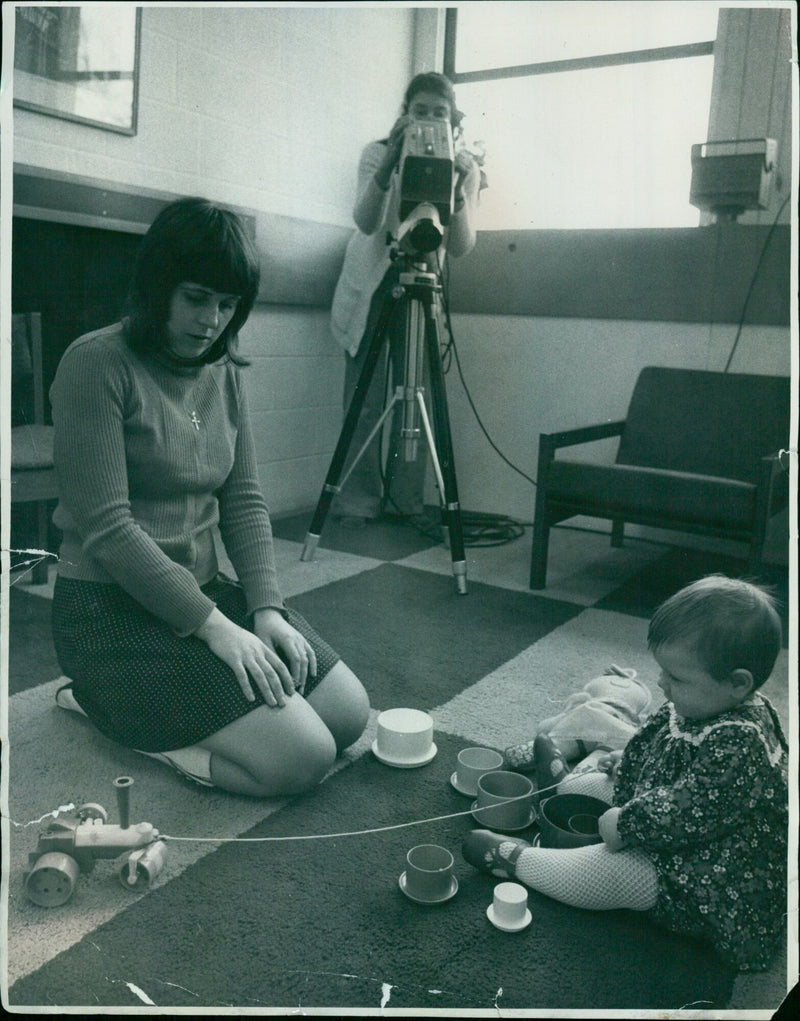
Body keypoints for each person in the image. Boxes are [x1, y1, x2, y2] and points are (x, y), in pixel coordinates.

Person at [50, 197, 370, 797]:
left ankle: (186, 696)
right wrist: (216, 628)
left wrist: (266, 608)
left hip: (203, 595)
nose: (212, 320)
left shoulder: (221, 370)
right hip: (108, 613)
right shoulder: (95, 363)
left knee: (348, 715)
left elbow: (243, 497)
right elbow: (110, 530)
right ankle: (102, 705)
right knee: (300, 760)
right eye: (196, 298)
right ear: (158, 286)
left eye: (228, 305)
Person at [463, 576, 788, 971]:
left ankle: (520, 862)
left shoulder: (742, 740)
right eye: (663, 671)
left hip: (706, 875)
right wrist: (626, 762)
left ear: (738, 684)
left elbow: (687, 810)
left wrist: (626, 823)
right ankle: (562, 786)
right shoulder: (702, 700)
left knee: (617, 870)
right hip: (668, 812)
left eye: (677, 678)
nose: (661, 684)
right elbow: (657, 742)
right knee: (599, 783)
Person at [329, 71, 483, 527]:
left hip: (421, 284)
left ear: (452, 121)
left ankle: (406, 502)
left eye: (440, 112)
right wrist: (392, 160)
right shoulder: (377, 154)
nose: (430, 118)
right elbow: (365, 219)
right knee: (365, 399)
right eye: (421, 111)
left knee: (415, 395)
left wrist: (456, 186)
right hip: (373, 284)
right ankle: (355, 502)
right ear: (404, 115)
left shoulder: (466, 168)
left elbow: (460, 246)